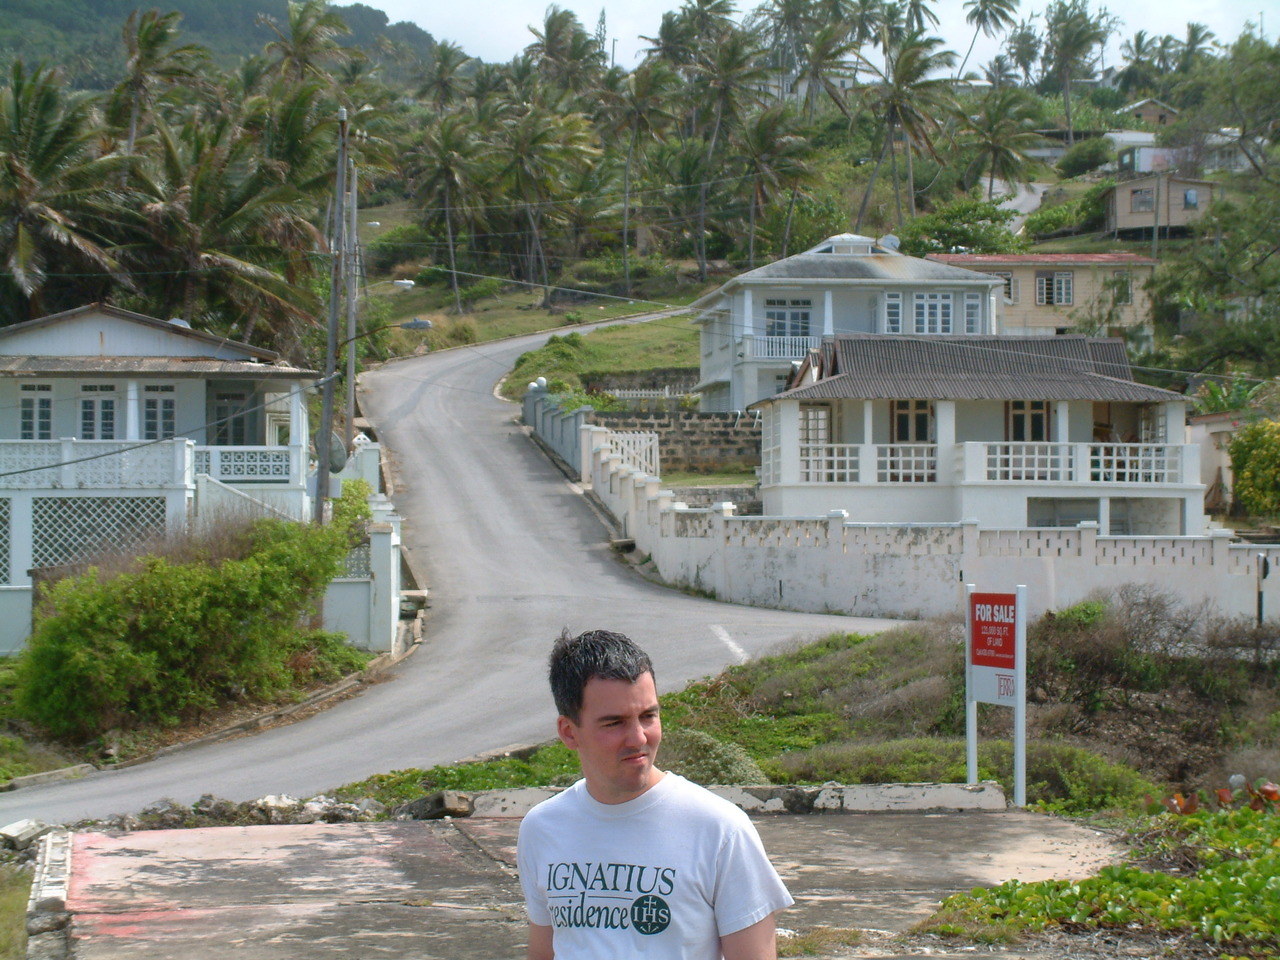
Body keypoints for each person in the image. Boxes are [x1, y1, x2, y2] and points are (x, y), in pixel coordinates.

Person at [517, 629, 793, 960]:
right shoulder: (542, 828)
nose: (638, 738)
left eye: (648, 716)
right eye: (614, 723)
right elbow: (543, 952)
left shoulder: (720, 830)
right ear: (568, 731)